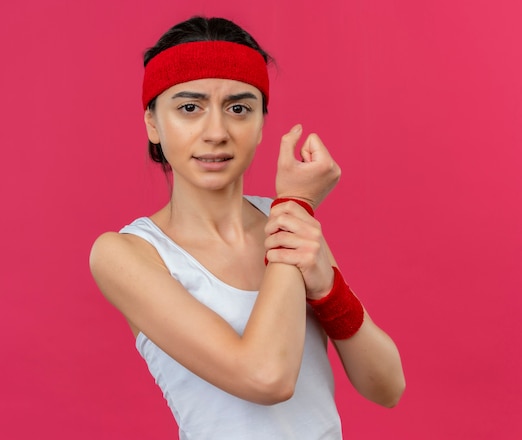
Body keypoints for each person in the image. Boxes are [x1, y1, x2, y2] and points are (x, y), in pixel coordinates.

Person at [90, 16, 405, 440]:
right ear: (152, 122)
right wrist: (298, 203)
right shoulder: (126, 254)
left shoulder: (286, 220)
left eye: (239, 108)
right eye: (189, 107)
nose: (217, 132)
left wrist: (330, 292)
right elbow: (265, 377)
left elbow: (387, 387)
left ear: (260, 124)